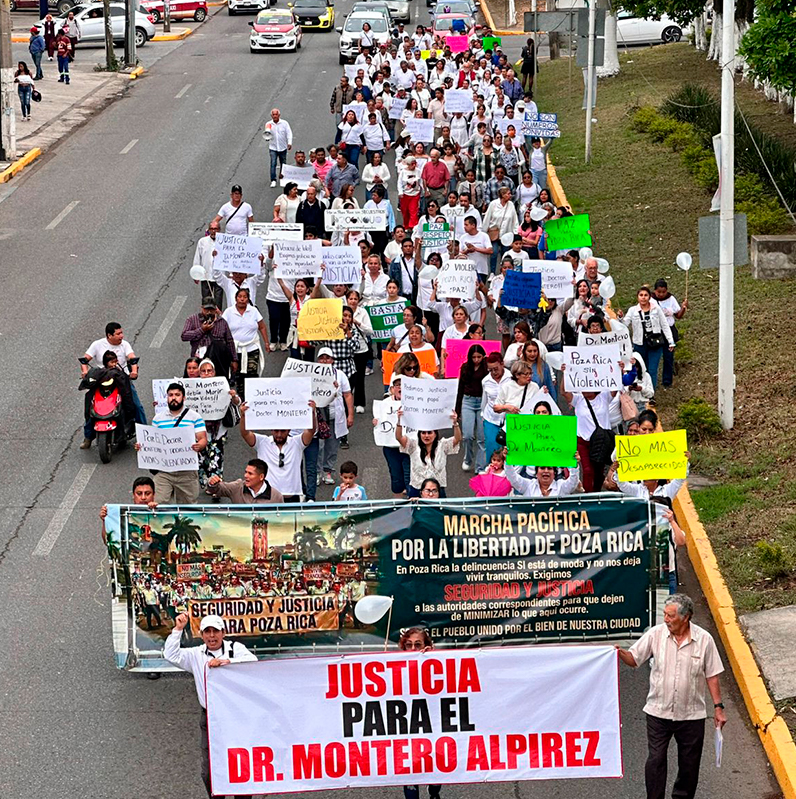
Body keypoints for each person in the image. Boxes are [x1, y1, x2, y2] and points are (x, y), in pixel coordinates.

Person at [616, 594, 727, 799]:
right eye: (665, 614)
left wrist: (718, 707)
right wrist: (619, 652)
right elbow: (634, 659)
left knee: (689, 765)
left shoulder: (704, 640)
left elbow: (712, 675)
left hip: (691, 715)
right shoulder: (655, 634)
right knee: (655, 760)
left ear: (686, 617)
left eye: (671, 616)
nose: (666, 619)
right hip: (658, 712)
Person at [164, 613, 257, 799]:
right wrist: (178, 629)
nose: (212, 636)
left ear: (223, 633)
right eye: (207, 632)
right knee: (209, 772)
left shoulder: (235, 649)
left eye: (216, 631)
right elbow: (170, 655)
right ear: (202, 635)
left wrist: (228, 662)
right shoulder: (195, 655)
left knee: (240, 764)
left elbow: (252, 662)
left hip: (237, 715)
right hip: (210, 717)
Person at [137, 383, 207, 503]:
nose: (174, 398)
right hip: (164, 471)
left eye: (177, 395)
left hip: (187, 472)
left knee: (188, 508)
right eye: (170, 395)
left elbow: (203, 438)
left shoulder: (194, 417)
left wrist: (199, 445)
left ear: (183, 398)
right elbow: (153, 441)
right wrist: (142, 446)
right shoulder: (158, 419)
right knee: (158, 505)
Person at [239, 400, 317, 502]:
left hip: (292, 497)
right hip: (268, 497)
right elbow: (245, 433)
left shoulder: (297, 442)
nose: (279, 435)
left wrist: (312, 413)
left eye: (283, 431)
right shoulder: (262, 442)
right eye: (276, 431)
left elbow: (311, 431)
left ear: (289, 430)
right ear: (271, 429)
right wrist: (244, 416)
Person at [304, 347, 354, 494]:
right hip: (318, 418)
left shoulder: (340, 375)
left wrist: (350, 415)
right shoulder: (310, 375)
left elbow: (348, 395)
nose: (324, 361)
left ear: (332, 360)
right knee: (318, 446)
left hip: (334, 415)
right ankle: (318, 472)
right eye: (321, 358)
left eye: (327, 358)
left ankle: (328, 470)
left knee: (332, 445)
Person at [193, 359, 241, 488]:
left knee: (216, 459)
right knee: (202, 459)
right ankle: (205, 481)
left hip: (218, 431)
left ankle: (215, 487)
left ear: (214, 372)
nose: (207, 374)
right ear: (199, 373)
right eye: (203, 371)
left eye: (209, 371)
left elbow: (237, 402)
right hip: (199, 433)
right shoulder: (192, 388)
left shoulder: (222, 386)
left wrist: (233, 396)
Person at [395, 410, 462, 498]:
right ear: (419, 434)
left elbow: (457, 439)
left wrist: (455, 423)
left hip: (437, 491)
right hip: (416, 490)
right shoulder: (413, 445)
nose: (426, 436)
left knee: (439, 512)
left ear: (435, 435)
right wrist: (400, 421)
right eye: (423, 433)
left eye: (429, 433)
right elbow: (399, 437)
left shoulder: (443, 446)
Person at [623, 285, 675, 390]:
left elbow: (664, 325)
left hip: (655, 343)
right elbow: (624, 324)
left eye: (646, 295)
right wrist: (620, 318)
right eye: (641, 295)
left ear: (649, 297)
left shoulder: (656, 309)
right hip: (639, 344)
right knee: (640, 368)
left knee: (652, 369)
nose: (643, 297)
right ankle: (640, 391)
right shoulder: (633, 310)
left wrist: (670, 341)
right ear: (637, 297)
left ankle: (651, 394)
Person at [222, 287, 270, 394]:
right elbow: (222, 328)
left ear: (248, 299)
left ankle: (253, 396)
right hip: (235, 350)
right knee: (239, 376)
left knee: (251, 374)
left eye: (245, 297)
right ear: (236, 298)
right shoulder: (228, 312)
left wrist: (266, 342)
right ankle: (241, 398)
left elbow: (262, 326)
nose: (242, 299)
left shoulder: (253, 311)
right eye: (240, 297)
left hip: (252, 348)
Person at [181, 298, 239, 379]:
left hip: (218, 361)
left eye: (211, 309)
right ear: (202, 308)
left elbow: (229, 341)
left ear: (215, 309)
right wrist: (201, 330)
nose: (209, 312)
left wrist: (234, 359)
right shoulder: (192, 320)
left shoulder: (222, 322)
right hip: (199, 359)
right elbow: (184, 336)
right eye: (206, 309)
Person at [455, 344, 487, 473]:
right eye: (473, 357)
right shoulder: (465, 367)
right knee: (467, 435)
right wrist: (457, 410)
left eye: (479, 357)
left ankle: (480, 466)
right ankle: (468, 459)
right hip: (467, 401)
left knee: (481, 437)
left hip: (482, 402)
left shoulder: (486, 368)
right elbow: (460, 388)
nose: (476, 360)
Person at [653, 277, 688, 388]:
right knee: (655, 357)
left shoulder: (671, 299)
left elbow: (678, 315)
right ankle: (652, 380)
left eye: (664, 292)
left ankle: (667, 381)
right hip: (656, 331)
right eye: (659, 292)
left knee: (668, 357)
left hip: (669, 330)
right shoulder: (651, 300)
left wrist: (683, 308)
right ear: (655, 291)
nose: (661, 294)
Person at [206, 458, 284, 504]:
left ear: (261, 477)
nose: (245, 476)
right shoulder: (237, 487)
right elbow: (218, 489)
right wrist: (212, 483)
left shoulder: (276, 497)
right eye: (246, 472)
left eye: (250, 473)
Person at [482, 186, 519, 273]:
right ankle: (492, 272)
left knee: (505, 254)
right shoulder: (493, 204)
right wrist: (483, 233)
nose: (510, 195)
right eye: (508, 194)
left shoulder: (511, 205)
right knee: (494, 253)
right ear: (502, 195)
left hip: (507, 234)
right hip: (494, 233)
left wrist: (516, 234)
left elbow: (515, 220)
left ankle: (504, 273)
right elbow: (487, 218)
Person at [504, 458, 581, 497]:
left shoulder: (562, 486)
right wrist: (507, 460)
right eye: (542, 468)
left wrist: (574, 464)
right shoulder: (529, 485)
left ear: (554, 473)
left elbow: (574, 481)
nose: (546, 471)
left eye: (549, 468)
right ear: (536, 472)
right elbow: (512, 477)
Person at [192, 220, 224, 307]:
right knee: (206, 301)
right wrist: (196, 273)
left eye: (216, 229)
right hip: (205, 276)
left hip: (220, 276)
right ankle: (207, 318)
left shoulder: (225, 242)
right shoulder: (202, 242)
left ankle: (217, 319)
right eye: (212, 229)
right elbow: (197, 257)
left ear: (219, 230)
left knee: (218, 300)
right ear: (209, 230)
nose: (214, 231)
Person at [266, 108, 293, 187]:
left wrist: (289, 143)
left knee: (283, 163)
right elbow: (267, 134)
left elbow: (289, 133)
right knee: (273, 163)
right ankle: (273, 180)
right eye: (273, 115)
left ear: (279, 115)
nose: (275, 116)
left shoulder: (284, 123)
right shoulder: (269, 124)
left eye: (276, 114)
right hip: (273, 147)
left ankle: (282, 177)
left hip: (282, 147)